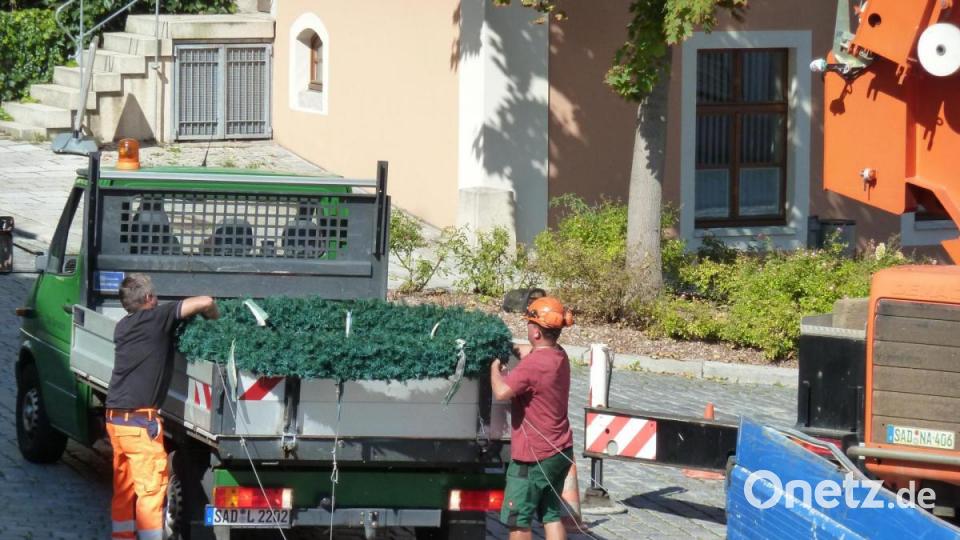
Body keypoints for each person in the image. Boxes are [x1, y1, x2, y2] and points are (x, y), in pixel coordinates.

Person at [105, 273, 219, 540]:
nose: (157, 300)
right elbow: (204, 301)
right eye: (155, 295)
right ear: (147, 299)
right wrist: (215, 316)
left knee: (125, 487)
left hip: (115, 420)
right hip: (139, 424)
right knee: (151, 491)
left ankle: (121, 537)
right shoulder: (157, 319)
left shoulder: (122, 327)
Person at [490, 296, 576, 540]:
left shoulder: (533, 365)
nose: (526, 327)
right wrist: (508, 347)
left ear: (536, 332)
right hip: (560, 450)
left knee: (518, 520)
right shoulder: (559, 355)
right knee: (550, 515)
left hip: (533, 457)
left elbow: (501, 391)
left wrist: (494, 369)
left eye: (528, 323)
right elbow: (529, 351)